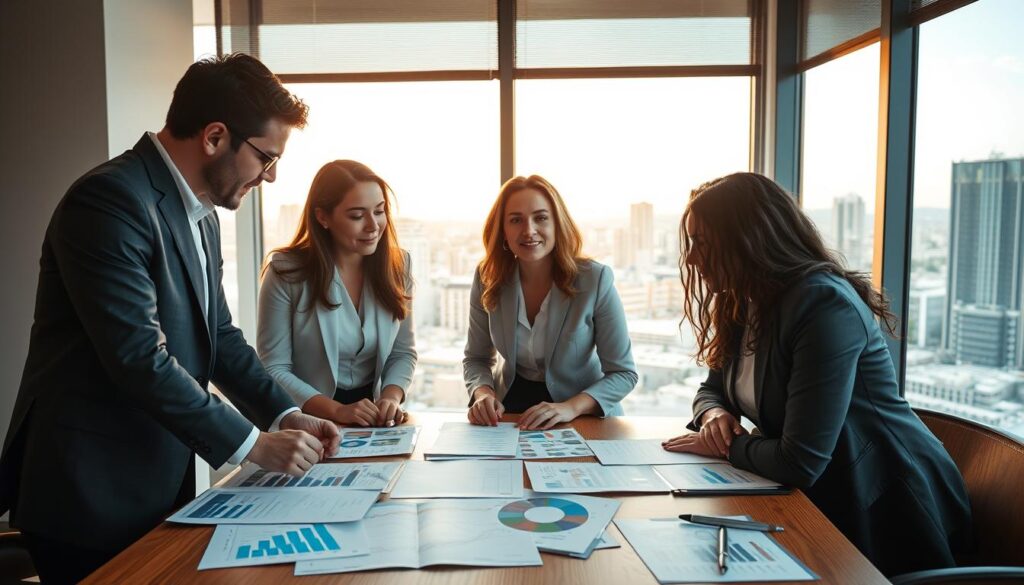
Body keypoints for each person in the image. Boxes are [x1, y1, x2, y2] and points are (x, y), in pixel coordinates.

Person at [0, 54, 341, 584]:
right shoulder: (109, 200)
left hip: (155, 479)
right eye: (265, 158)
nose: (271, 177)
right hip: (87, 489)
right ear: (213, 137)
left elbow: (220, 338)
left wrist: (283, 415)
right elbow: (140, 359)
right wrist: (256, 445)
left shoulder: (200, 213)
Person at [662, 172, 972, 576]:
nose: (691, 259)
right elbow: (712, 389)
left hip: (882, 510)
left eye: (701, 243)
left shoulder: (823, 305)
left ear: (748, 239)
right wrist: (714, 417)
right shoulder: (742, 298)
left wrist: (723, 447)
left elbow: (799, 462)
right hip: (814, 498)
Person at [464, 175, 637, 430]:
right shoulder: (488, 276)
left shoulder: (594, 279)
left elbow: (624, 374)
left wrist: (571, 407)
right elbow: (476, 358)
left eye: (541, 218)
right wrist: (483, 394)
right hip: (510, 412)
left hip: (582, 414)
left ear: (558, 224)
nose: (529, 230)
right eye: (515, 220)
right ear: (502, 230)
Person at [258, 160, 416, 427]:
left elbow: (403, 352)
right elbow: (274, 368)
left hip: (373, 421)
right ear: (323, 217)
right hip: (306, 418)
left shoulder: (399, 266)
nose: (373, 226)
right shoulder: (286, 273)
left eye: (379, 211)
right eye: (357, 215)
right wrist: (336, 411)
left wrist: (391, 397)